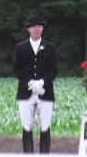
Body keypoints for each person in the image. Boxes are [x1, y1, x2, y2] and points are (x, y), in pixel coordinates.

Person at [14, 15, 58, 153]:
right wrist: (30, 82)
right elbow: (17, 68)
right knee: (27, 126)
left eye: (39, 26)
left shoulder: (50, 47)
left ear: (42, 28)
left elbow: (54, 70)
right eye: (33, 26)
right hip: (25, 93)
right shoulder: (20, 47)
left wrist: (42, 82)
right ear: (28, 29)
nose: (36, 29)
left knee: (45, 127)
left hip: (45, 93)